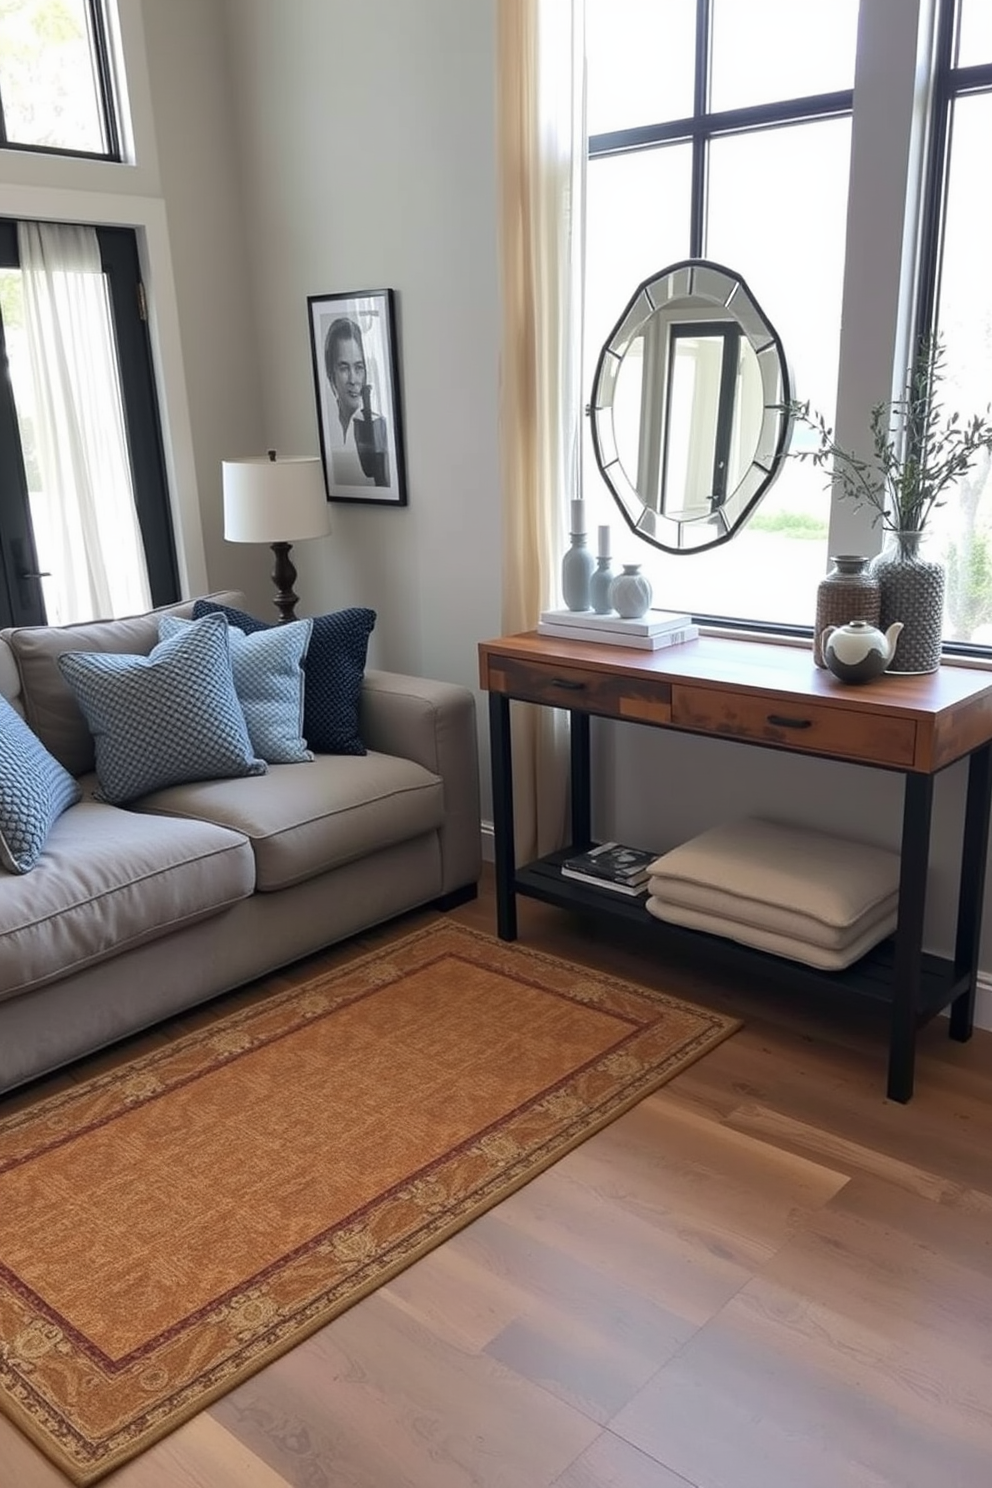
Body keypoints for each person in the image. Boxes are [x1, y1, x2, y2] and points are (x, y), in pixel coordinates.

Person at [323, 316, 390, 487]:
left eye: (359, 367)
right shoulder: (331, 429)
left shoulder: (374, 427)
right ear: (331, 376)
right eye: (344, 368)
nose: (353, 379)